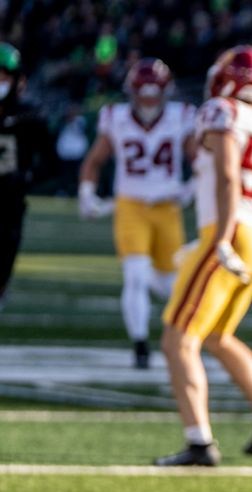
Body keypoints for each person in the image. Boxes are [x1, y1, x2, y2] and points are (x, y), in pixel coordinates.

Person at [153, 46, 252, 467]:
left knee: (178, 338)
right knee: (217, 336)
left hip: (229, 231)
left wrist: (220, 238)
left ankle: (199, 443)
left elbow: (229, 173)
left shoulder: (221, 111)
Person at [78, 58, 196, 369]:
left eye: (153, 94)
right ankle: (141, 345)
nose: (147, 101)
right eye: (142, 94)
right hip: (130, 205)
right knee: (134, 277)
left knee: (171, 285)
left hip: (167, 207)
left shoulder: (180, 117)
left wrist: (193, 186)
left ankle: (179, 338)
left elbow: (200, 159)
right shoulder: (115, 118)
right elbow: (94, 160)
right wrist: (87, 194)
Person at [0, 43, 54, 311]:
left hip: (9, 204)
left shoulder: (29, 116)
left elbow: (50, 163)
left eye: (3, 76)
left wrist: (26, 177)